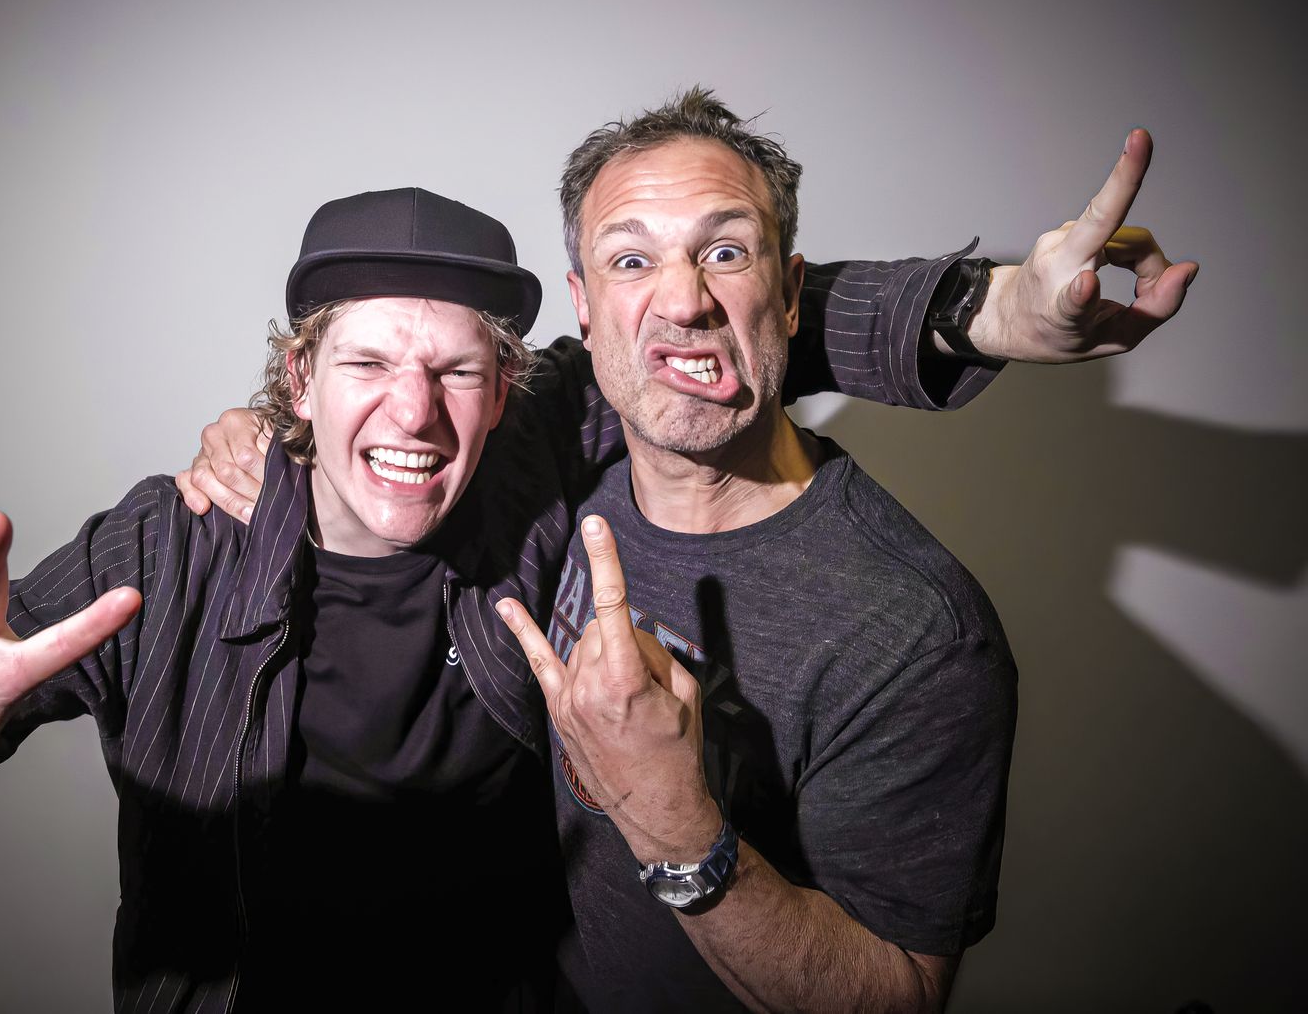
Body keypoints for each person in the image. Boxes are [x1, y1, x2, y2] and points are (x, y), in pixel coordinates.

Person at [179, 91, 1195, 1012]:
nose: (682, 297)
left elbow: (899, 998)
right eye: (631, 260)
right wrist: (277, 428)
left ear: (788, 294)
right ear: (583, 306)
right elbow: (406, 385)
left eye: (726, 251)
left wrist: (674, 822)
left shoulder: (917, 631)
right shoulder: (556, 444)